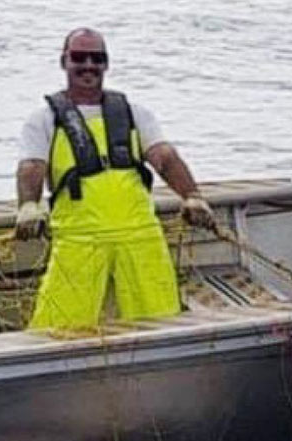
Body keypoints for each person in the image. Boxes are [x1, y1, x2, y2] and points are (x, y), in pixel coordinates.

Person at [14, 27, 214, 330]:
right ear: (64, 61)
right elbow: (32, 166)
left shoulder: (135, 113)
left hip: (140, 235)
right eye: (79, 57)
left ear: (106, 64)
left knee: (161, 322)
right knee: (58, 329)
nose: (89, 66)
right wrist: (29, 205)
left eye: (97, 58)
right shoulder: (43, 120)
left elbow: (164, 157)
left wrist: (193, 196)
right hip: (79, 240)